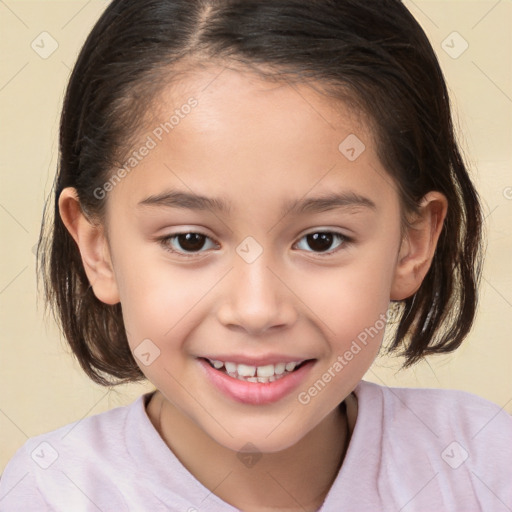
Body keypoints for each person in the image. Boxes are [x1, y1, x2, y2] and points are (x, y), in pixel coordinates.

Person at [1, 0, 510, 510]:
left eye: (321, 240)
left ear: (412, 244)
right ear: (99, 250)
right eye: (190, 240)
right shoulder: (52, 492)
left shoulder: (480, 463)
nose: (257, 309)